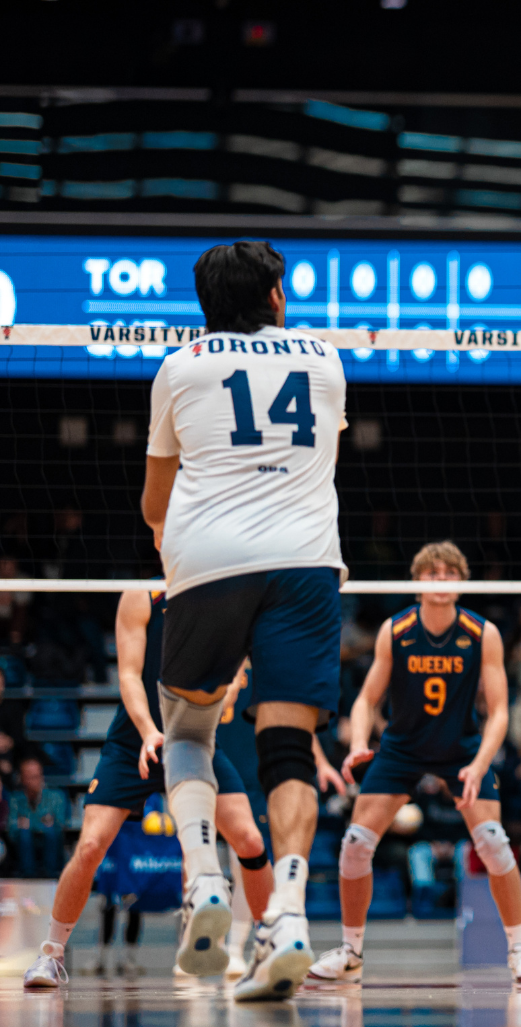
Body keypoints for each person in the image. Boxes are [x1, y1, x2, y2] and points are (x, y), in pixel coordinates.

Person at [140, 240, 347, 1000]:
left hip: (208, 562)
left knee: (189, 731)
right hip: (305, 564)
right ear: (273, 296)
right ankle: (288, 915)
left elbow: (155, 504)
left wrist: (173, 548)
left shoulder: (180, 365)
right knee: (289, 745)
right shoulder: (324, 361)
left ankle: (204, 882)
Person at [306, 542, 521, 985]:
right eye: (430, 572)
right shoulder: (395, 630)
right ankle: (351, 951)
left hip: (461, 748)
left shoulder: (482, 633)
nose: (439, 579)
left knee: (493, 842)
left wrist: (478, 764)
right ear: (415, 582)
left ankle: (520, 950)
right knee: (355, 844)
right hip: (402, 747)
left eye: (448, 572)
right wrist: (359, 741)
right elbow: (365, 699)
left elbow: (501, 714)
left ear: (461, 582)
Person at [21, 589, 280, 989]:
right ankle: (51, 954)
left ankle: (271, 949)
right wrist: (148, 732)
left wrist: (197, 725)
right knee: (90, 846)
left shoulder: (225, 600)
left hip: (195, 738)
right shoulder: (142, 597)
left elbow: (231, 682)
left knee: (248, 839)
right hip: (133, 741)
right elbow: (128, 674)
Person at [8, 756, 68, 878]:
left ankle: (50, 875)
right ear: (22, 779)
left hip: (50, 842)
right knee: (24, 834)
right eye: (31, 777)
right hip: (23, 844)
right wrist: (40, 822)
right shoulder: (15, 799)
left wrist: (29, 823)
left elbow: (60, 825)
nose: (36, 781)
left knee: (50, 832)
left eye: (38, 776)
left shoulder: (56, 797)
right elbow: (11, 828)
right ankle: (28, 876)